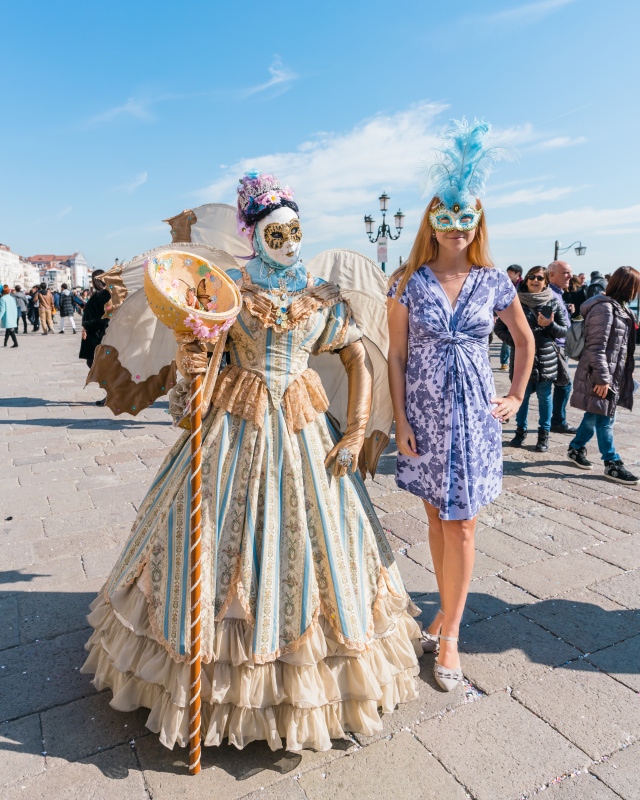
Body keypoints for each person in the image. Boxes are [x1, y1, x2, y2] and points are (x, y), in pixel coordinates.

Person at [81, 171, 422, 751]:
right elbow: (197, 376)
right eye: (275, 232)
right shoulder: (228, 291)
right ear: (256, 235)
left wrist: (357, 427)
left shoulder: (320, 294)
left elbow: (358, 355)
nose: (287, 242)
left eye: (294, 230)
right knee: (216, 537)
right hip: (233, 424)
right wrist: (192, 354)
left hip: (305, 424)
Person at [387, 119, 534, 692]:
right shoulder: (406, 281)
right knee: (434, 516)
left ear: (477, 221)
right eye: (443, 216)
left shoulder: (495, 281)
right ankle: (444, 611)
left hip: (474, 419)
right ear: (431, 221)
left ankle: (450, 636)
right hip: (422, 418)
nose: (454, 227)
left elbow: (525, 340)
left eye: (464, 216)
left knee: (464, 524)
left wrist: (517, 395)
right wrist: (399, 419)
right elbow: (396, 357)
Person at [567, 266, 640, 484]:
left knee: (595, 414)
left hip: (611, 374)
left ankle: (575, 448)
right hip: (600, 375)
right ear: (627, 286)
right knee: (606, 419)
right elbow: (596, 348)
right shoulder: (605, 309)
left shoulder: (621, 308)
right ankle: (612, 463)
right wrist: (603, 379)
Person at [495, 267, 569, 452]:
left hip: (546, 357)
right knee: (522, 396)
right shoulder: (515, 300)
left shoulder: (553, 301)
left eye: (539, 278)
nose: (535, 280)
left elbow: (565, 331)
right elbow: (499, 329)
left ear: (545, 282)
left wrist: (549, 325)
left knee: (545, 398)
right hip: (521, 358)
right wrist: (519, 342)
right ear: (526, 280)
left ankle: (543, 436)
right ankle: (520, 432)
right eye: (531, 277)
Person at [547, 261, 576, 434]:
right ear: (551, 275)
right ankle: (558, 421)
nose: (570, 276)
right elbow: (547, 323)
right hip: (555, 346)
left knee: (540, 387)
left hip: (558, 346)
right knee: (563, 384)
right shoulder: (551, 294)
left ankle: (557, 420)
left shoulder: (557, 294)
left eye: (570, 272)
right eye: (565, 272)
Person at [79, 271, 110, 405]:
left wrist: (87, 324)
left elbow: (104, 318)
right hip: (94, 334)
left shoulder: (103, 295)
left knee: (97, 365)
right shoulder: (101, 294)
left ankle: (112, 392)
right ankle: (111, 392)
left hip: (98, 335)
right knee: (93, 364)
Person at [498, 264, 523, 369]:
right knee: (506, 340)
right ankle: (504, 362)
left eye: (510, 273)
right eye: (507, 272)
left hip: (521, 316)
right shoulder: (505, 284)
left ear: (518, 274)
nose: (508, 275)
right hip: (507, 315)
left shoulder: (524, 285)